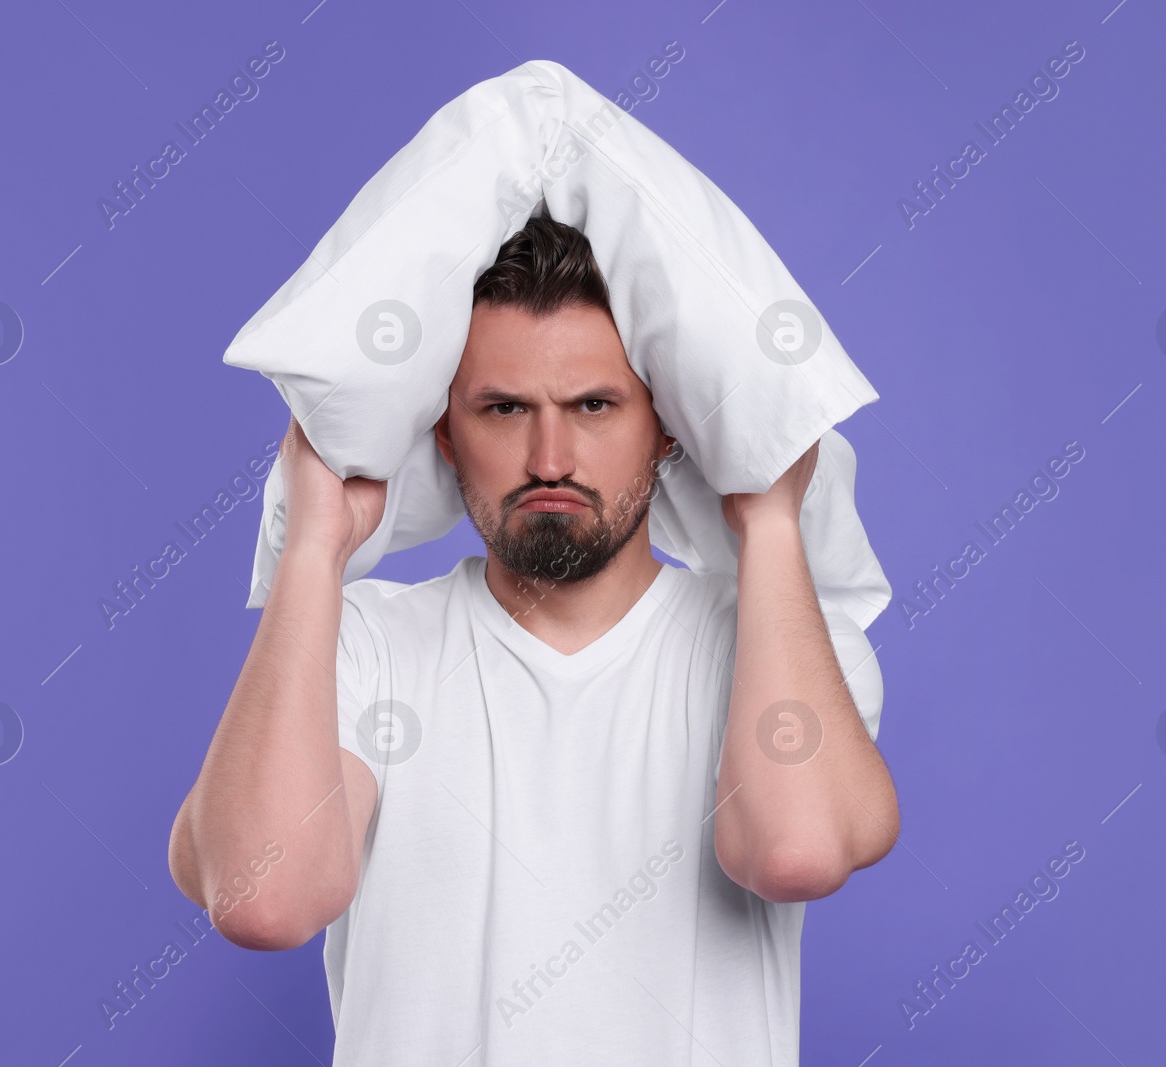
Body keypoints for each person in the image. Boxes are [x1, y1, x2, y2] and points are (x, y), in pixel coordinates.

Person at [169, 215, 899, 1064]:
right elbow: (266, 899)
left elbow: (793, 850)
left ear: (666, 430)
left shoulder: (788, 658)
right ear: (445, 435)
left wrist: (770, 521)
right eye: (505, 408)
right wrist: (312, 547)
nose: (550, 457)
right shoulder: (367, 643)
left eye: (594, 405)